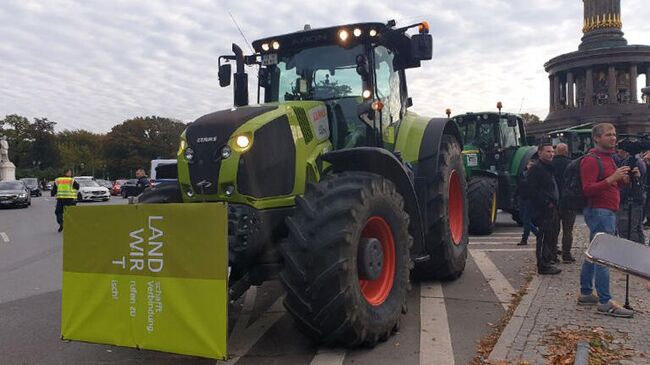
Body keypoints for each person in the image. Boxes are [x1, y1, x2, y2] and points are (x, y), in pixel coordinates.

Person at [578, 123, 636, 317]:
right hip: (599, 211)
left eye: (614, 135)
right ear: (597, 138)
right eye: (608, 135)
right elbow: (588, 189)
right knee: (604, 257)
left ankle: (586, 292)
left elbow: (613, 185)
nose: (613, 138)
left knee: (593, 253)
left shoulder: (609, 159)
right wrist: (612, 179)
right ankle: (605, 302)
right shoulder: (591, 160)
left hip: (607, 210)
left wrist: (624, 178)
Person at [526, 144, 561, 275]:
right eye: (548, 151)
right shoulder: (536, 169)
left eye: (552, 152)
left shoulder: (549, 168)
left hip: (552, 207)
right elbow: (532, 190)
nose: (551, 154)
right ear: (540, 153)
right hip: (543, 208)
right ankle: (543, 265)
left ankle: (548, 259)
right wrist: (546, 203)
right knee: (544, 236)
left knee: (551, 235)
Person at [614, 149, 646, 244]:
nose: (617, 151)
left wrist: (619, 197)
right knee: (636, 229)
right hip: (635, 200)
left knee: (627, 230)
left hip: (629, 202)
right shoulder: (635, 161)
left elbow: (631, 185)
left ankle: (633, 254)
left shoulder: (634, 162)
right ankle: (640, 253)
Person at [552, 143, 577, 263]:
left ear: (556, 151)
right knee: (568, 230)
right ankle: (566, 255)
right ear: (566, 151)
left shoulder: (550, 164)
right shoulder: (572, 164)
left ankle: (552, 254)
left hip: (554, 201)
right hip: (569, 201)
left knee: (553, 230)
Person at [517, 159, 539, 246]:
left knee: (526, 219)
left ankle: (525, 238)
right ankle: (537, 233)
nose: (530, 166)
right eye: (529, 165)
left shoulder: (535, 176)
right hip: (522, 198)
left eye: (532, 165)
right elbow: (519, 186)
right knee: (523, 218)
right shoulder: (522, 174)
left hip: (530, 199)